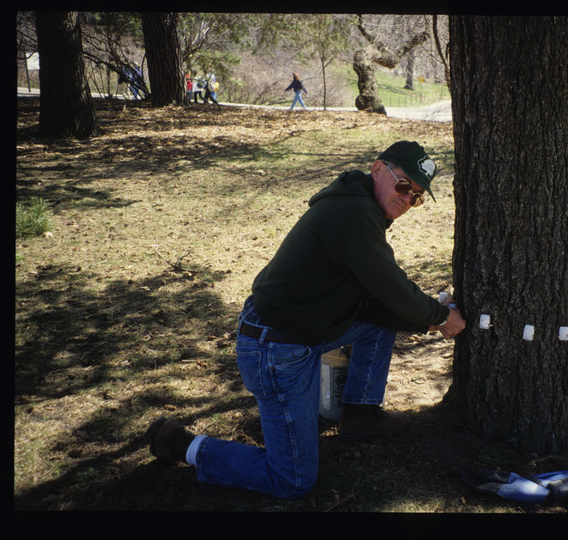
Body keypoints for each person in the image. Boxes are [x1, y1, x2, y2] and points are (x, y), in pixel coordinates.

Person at [145, 141, 466, 499]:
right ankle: (184, 445)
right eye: (405, 185)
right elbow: (389, 285)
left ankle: (360, 414)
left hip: (300, 334)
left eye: (417, 196)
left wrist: (429, 319)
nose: (407, 199)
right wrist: (439, 317)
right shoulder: (353, 214)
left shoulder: (358, 208)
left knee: (382, 321)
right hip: (276, 350)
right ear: (377, 169)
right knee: (292, 479)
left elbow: (376, 302)